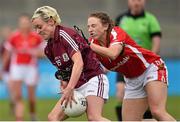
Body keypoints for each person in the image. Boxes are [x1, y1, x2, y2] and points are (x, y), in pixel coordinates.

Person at [87, 12, 175, 121]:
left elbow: (113, 53)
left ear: (105, 26)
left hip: (151, 67)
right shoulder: (92, 44)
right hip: (132, 80)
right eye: (88, 26)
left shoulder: (115, 32)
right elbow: (88, 65)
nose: (90, 29)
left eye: (93, 26)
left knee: (157, 112)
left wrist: (90, 46)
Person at [31, 6, 110, 121]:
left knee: (94, 118)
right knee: (53, 118)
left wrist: (70, 87)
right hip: (76, 85)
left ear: (51, 22)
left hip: (93, 78)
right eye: (35, 28)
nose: (37, 32)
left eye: (39, 27)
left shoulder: (65, 35)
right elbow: (65, 71)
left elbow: (79, 63)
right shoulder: (48, 49)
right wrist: (64, 82)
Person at [114, 0, 162, 120]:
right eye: (133, 0)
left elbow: (156, 42)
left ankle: (146, 119)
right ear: (128, 2)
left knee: (150, 102)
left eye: (140, 0)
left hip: (145, 64)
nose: (136, 3)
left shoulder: (150, 19)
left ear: (144, 2)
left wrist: (152, 59)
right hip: (124, 63)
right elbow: (113, 39)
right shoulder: (121, 19)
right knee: (120, 93)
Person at [4, 14, 44, 121]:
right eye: (22, 23)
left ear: (30, 23)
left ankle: (32, 115)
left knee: (31, 98)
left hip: (31, 68)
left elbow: (44, 53)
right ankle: (19, 119)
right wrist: (2, 69)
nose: (24, 25)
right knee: (18, 96)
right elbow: (7, 54)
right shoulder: (14, 36)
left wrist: (34, 52)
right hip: (17, 67)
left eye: (26, 22)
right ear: (19, 24)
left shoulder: (36, 37)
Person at [0, 26, 14, 114]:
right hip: (7, 71)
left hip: (15, 70)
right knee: (11, 91)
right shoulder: (3, 46)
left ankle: (14, 107)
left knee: (14, 91)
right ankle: (13, 107)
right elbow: (2, 58)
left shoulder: (15, 43)